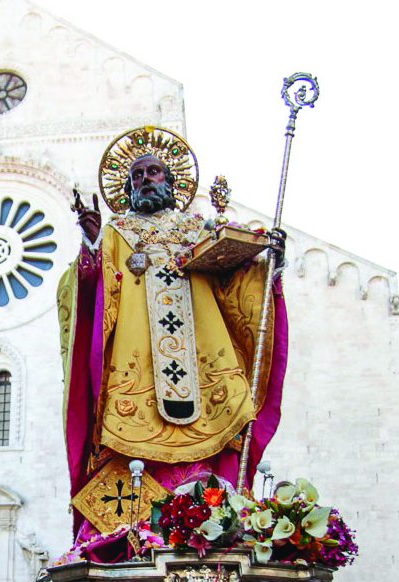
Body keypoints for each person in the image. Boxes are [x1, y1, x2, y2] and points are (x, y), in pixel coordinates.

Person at [57, 127, 288, 540]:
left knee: (219, 439)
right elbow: (88, 294)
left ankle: (216, 527)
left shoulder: (202, 230)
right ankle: (133, 537)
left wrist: (268, 264)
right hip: (137, 371)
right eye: (138, 176)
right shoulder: (116, 233)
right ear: (128, 189)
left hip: (205, 365)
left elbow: (237, 291)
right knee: (130, 445)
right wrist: (91, 244)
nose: (146, 180)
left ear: (173, 182)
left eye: (154, 172)